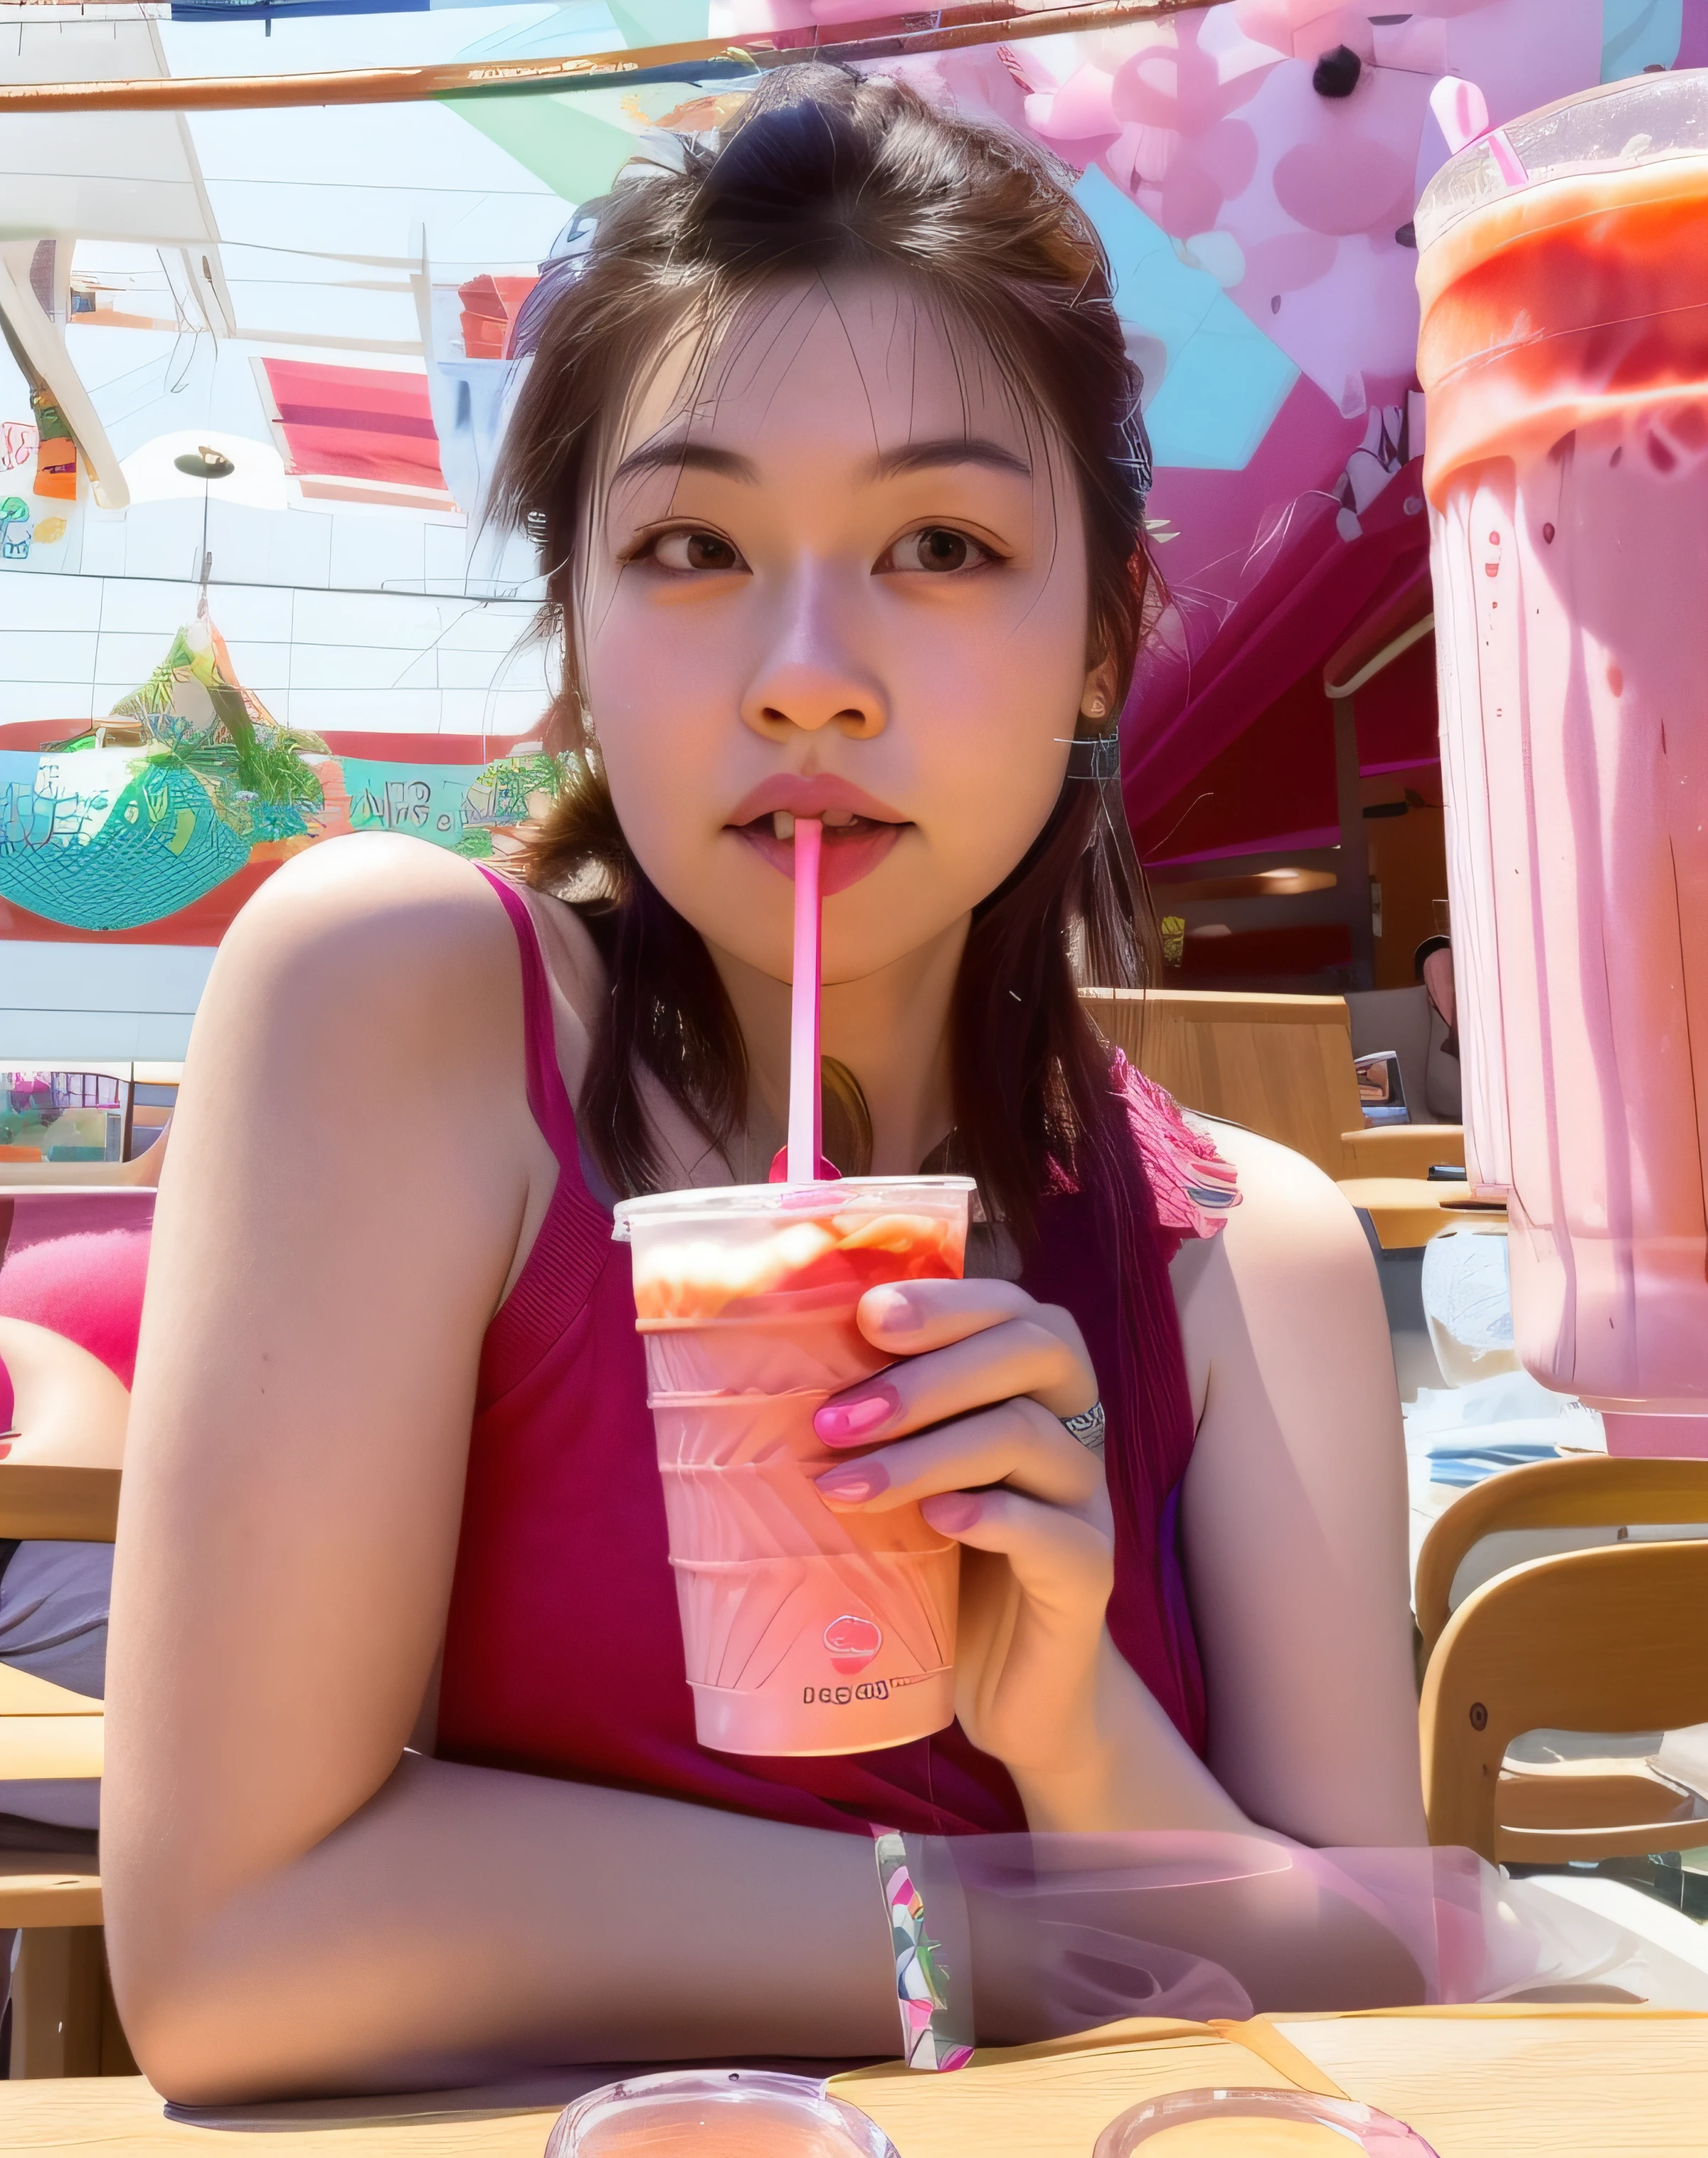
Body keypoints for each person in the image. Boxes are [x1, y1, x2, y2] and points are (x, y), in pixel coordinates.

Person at [102, 68, 1423, 2102]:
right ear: (579, 620)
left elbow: (1370, 1957)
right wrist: (972, 1921)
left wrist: (1059, 1717)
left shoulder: (1256, 1252)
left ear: (1105, 641)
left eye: (945, 542)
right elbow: (229, 1946)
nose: (809, 669)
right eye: (695, 544)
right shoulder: (405, 1008)